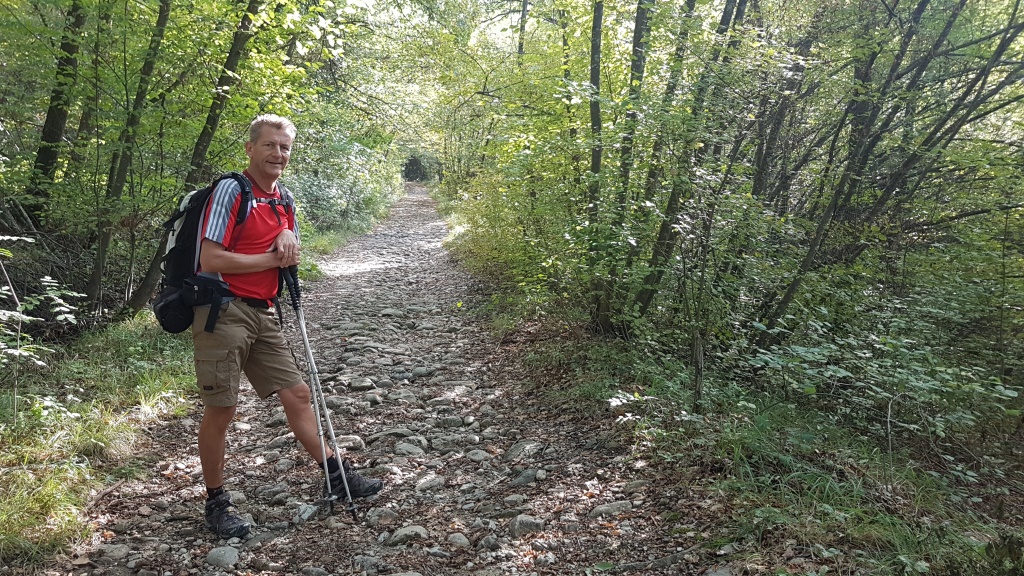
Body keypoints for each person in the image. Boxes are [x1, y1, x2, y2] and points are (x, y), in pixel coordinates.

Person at [192, 114, 383, 539]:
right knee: (222, 408)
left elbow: (289, 248)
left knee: (297, 392)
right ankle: (216, 502)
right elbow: (211, 259)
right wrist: (271, 258)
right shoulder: (231, 190)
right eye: (270, 145)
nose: (278, 153)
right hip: (221, 310)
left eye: (285, 147)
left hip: (263, 310)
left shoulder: (284, 199)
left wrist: (287, 242)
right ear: (251, 148)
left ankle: (337, 474)